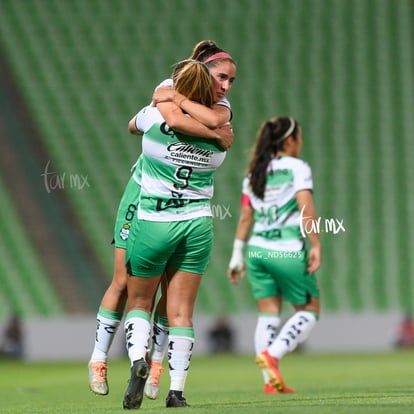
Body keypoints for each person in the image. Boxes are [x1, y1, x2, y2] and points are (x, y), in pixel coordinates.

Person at [87, 40, 236, 397]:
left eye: (231, 80)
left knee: (165, 292)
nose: (226, 87)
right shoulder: (168, 92)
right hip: (144, 199)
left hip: (160, 210)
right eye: (221, 78)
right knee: (123, 281)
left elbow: (195, 119)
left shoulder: (202, 103)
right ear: (201, 73)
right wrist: (213, 133)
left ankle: (152, 365)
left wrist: (182, 107)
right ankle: (99, 360)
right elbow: (187, 124)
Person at [122, 60, 233, 409]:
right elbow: (215, 124)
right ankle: (176, 393)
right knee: (181, 312)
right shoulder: (222, 139)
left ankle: (139, 360)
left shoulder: (154, 117)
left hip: (154, 220)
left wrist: (168, 99)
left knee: (140, 302)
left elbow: (132, 126)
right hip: (197, 224)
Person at [227, 116, 321, 395]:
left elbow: (246, 217)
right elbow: (306, 210)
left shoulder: (253, 172)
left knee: (267, 314)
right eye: (300, 137)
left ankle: (269, 382)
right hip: (288, 250)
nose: (301, 143)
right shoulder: (297, 168)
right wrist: (316, 244)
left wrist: (236, 256)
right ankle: (274, 355)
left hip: (256, 251)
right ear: (289, 140)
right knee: (309, 311)